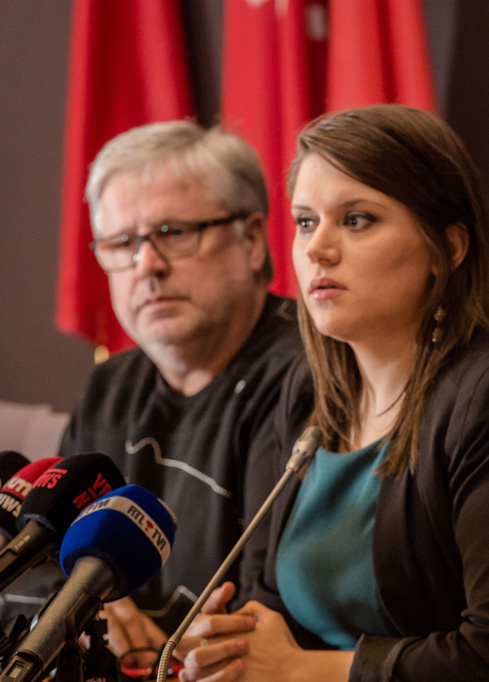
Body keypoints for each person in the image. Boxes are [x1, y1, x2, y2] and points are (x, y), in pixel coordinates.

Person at [172, 104, 489, 682]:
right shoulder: (309, 393)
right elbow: (268, 598)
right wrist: (233, 644)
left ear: (446, 249)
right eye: (305, 221)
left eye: (356, 220)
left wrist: (303, 671)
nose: (317, 249)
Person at [0, 121, 309, 656]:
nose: (147, 264)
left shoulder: (306, 376)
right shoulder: (109, 386)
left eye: (174, 233)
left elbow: (272, 615)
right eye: (122, 242)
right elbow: (46, 562)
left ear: (253, 239)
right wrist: (89, 598)